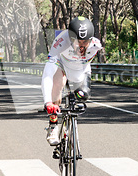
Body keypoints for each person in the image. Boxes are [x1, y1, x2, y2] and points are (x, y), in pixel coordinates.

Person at [41, 17, 102, 145]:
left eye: (85, 42)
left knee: (83, 96)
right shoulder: (60, 42)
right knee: (57, 86)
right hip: (62, 65)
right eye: (78, 41)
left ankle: (68, 128)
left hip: (80, 70)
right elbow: (47, 73)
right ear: (70, 39)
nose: (81, 46)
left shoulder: (96, 45)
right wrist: (48, 103)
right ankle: (53, 125)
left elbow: (87, 67)